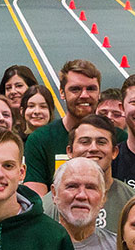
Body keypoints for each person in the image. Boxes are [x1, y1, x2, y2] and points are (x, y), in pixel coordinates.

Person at [22, 59, 122, 191]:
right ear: (62, 93)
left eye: (91, 89)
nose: (84, 95)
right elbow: (36, 197)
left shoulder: (119, 138)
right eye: (76, 89)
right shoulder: (40, 139)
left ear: (99, 93)